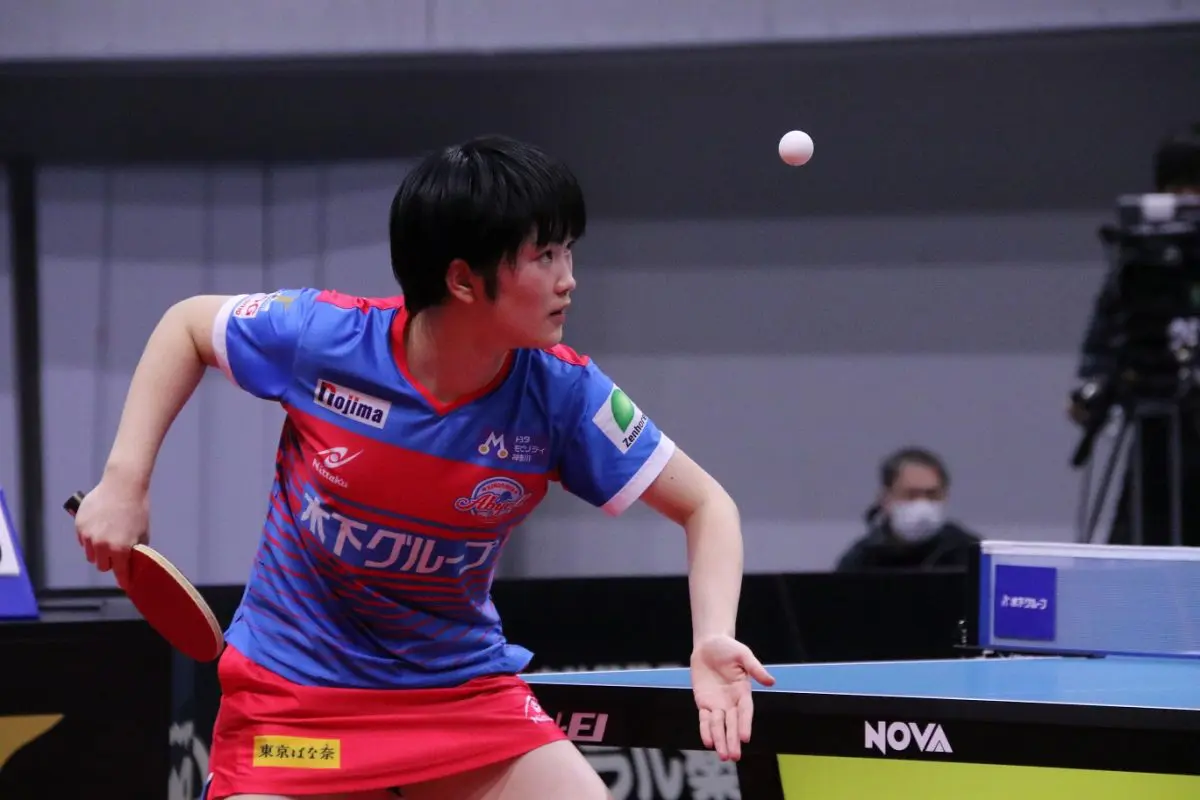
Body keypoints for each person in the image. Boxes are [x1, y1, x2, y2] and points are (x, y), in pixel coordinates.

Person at [71, 135, 774, 800]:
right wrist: (125, 482)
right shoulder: (326, 339)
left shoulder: (564, 395)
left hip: (457, 693)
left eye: (568, 251)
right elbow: (189, 325)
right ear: (463, 279)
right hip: (295, 696)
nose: (569, 280)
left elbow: (707, 506)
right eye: (544, 256)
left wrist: (711, 635)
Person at [1070, 123, 1200, 547]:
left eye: (1197, 189)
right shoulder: (1141, 260)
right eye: (1177, 189)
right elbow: (1111, 331)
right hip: (1156, 432)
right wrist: (1093, 384)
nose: (1188, 200)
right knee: (1139, 544)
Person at [835, 447, 980, 572]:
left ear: (945, 496)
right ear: (885, 498)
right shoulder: (860, 560)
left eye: (932, 494)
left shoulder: (970, 552)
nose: (922, 504)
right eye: (911, 495)